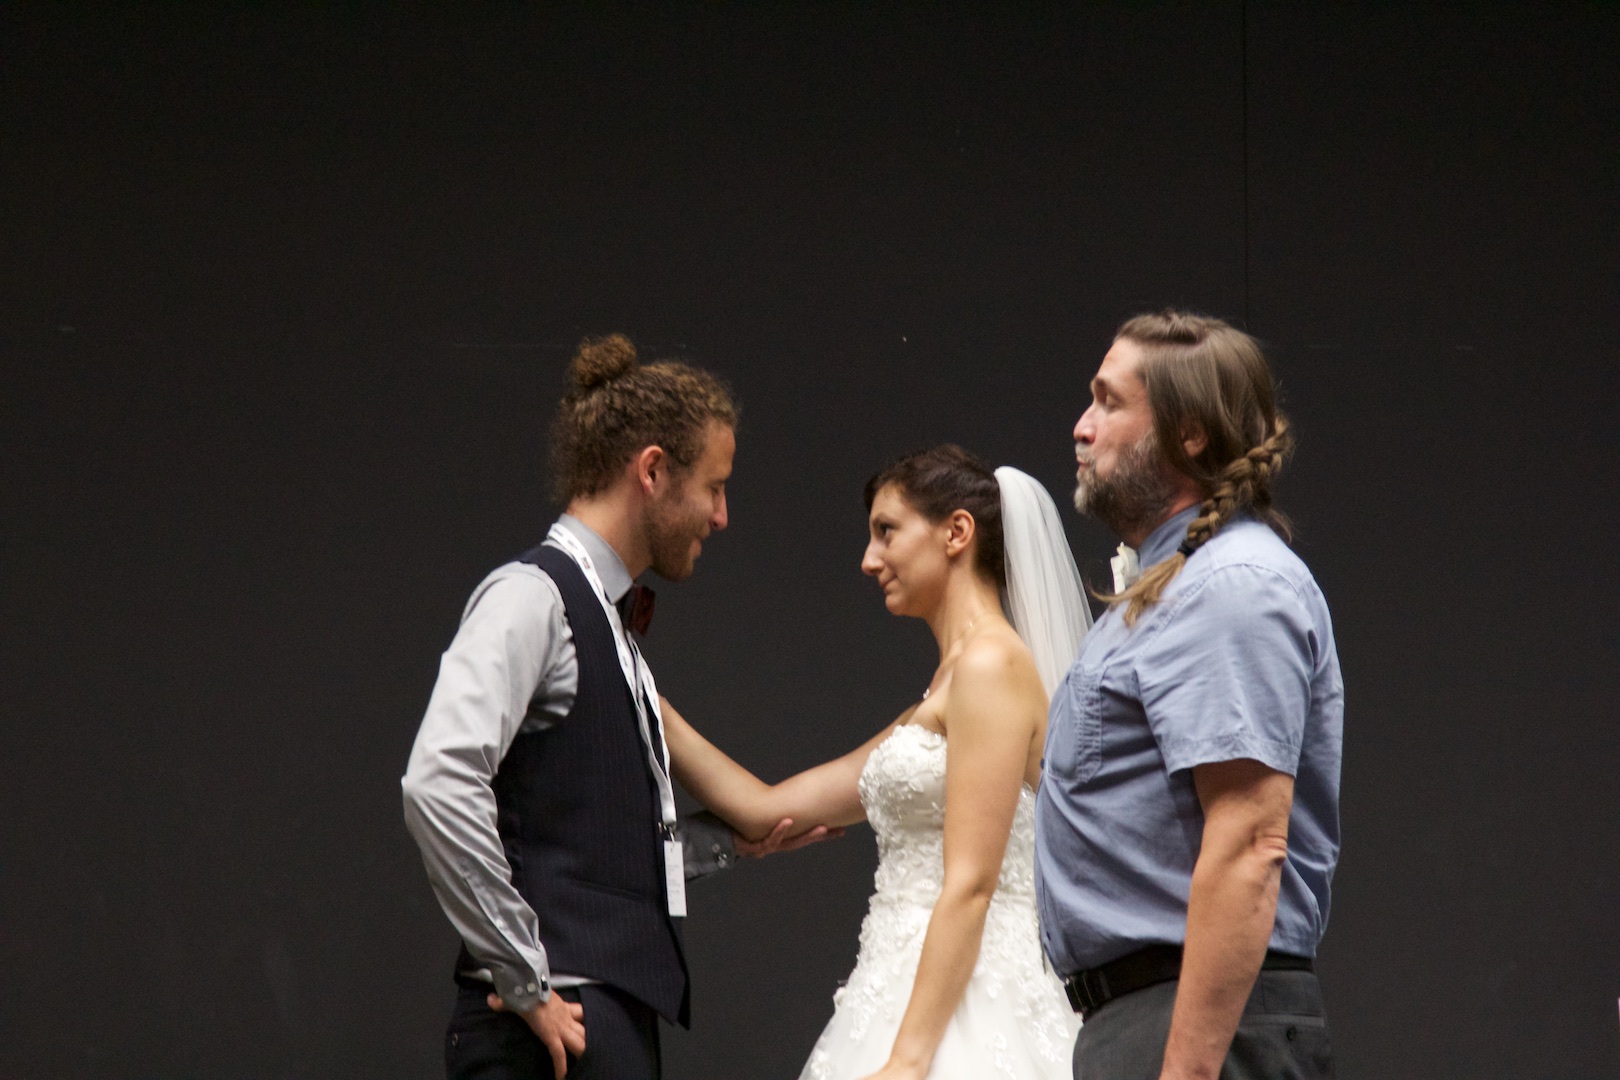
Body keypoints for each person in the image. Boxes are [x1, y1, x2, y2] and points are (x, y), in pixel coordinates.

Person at [401, 334, 835, 1080]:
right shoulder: (531, 598)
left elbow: (589, 844)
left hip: (604, 1021)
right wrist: (524, 978)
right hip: (549, 1031)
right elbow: (437, 782)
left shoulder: (611, 629)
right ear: (653, 471)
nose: (722, 516)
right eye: (714, 487)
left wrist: (730, 844)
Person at [662, 445, 1092, 1080]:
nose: (868, 560)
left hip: (970, 1004)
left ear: (956, 532)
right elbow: (767, 810)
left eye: (886, 531)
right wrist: (648, 700)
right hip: (898, 984)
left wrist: (908, 1062)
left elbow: (970, 885)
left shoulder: (991, 666)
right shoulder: (945, 691)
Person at [1035, 310, 1344, 1079]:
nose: (1081, 427)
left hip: (1202, 1029)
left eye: (1109, 403)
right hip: (1150, 1022)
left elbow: (1249, 842)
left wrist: (1186, 1071)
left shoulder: (1232, 586)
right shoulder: (1167, 587)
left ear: (1191, 434)